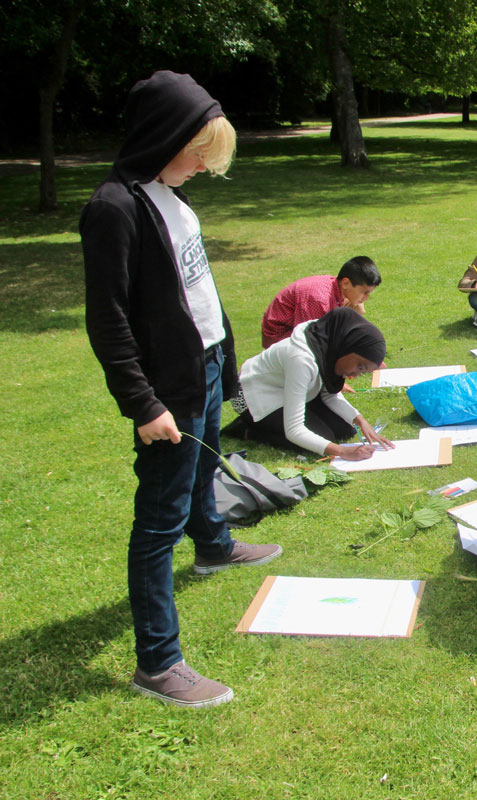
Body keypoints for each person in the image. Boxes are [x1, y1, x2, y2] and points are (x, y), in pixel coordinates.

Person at [80, 70, 281, 708]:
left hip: (205, 367)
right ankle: (158, 662)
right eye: (198, 153)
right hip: (167, 388)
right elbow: (108, 320)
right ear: (162, 136)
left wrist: (225, 354)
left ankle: (216, 548)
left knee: (202, 475)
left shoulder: (171, 194)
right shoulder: (114, 207)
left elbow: (196, 289)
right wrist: (143, 404)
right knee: (159, 523)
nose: (201, 167)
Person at [227, 307, 394, 460]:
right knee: (322, 438)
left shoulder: (330, 343)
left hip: (290, 388)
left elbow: (330, 394)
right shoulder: (301, 359)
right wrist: (343, 452)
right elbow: (294, 430)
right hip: (254, 397)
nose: (355, 374)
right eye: (359, 366)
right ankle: (248, 430)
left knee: (346, 428)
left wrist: (360, 420)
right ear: (347, 347)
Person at [260, 256, 382, 348]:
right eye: (365, 292)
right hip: (279, 338)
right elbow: (309, 341)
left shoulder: (337, 288)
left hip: (297, 330)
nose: (366, 298)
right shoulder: (319, 300)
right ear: (346, 283)